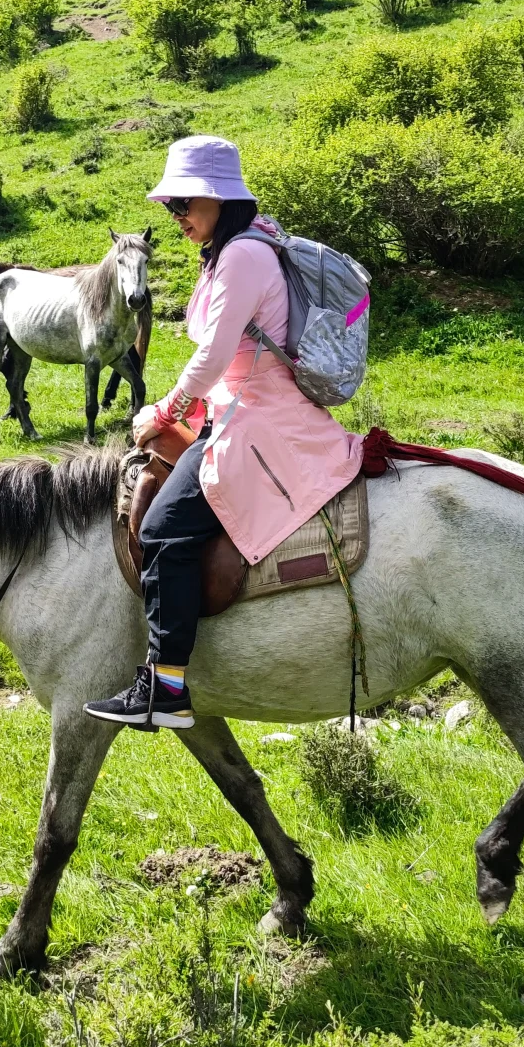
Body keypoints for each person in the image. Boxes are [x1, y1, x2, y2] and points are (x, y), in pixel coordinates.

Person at [84, 135, 363, 729]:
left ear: (220, 199)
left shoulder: (241, 256)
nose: (177, 215)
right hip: (236, 407)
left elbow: (213, 357)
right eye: (171, 207)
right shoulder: (237, 247)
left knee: (161, 528)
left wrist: (164, 411)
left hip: (254, 418)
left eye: (185, 203)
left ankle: (166, 689)